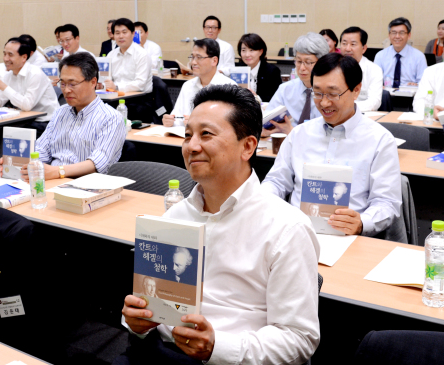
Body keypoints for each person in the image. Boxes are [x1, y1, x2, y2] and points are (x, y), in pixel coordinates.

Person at [117, 84, 320, 364]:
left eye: (206, 134)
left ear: (248, 146)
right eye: (187, 135)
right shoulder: (174, 218)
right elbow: (151, 308)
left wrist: (218, 347)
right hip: (158, 353)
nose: (192, 146)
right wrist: (136, 322)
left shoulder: (286, 228)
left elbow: (298, 339)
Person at [262, 53, 402, 237]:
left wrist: (361, 222)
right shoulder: (299, 134)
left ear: (356, 90)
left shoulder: (379, 140)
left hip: (350, 238)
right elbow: (276, 181)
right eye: (318, 93)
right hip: (296, 234)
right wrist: (262, 199)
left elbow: (386, 202)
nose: (324, 103)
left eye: (333, 94)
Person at [0, 53, 126, 181]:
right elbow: (41, 150)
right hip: (53, 181)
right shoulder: (60, 112)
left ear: (93, 82)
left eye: (72, 84)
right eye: (63, 84)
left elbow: (97, 163)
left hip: (88, 186)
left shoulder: (111, 118)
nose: (66, 90)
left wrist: (57, 171)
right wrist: (18, 163)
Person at [263, 32, 328, 136]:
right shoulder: (285, 89)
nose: (302, 68)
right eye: (298, 61)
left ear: (322, 62)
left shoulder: (331, 93)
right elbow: (267, 118)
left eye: (308, 62)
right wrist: (267, 130)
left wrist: (292, 131)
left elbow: (329, 132)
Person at [162, 39, 236, 127]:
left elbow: (230, 125)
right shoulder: (187, 86)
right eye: (192, 57)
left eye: (199, 57)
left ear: (214, 61)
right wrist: (170, 121)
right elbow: (177, 117)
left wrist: (197, 123)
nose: (193, 62)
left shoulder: (229, 87)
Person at [0, 37, 59, 126]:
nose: (6, 59)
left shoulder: (35, 73)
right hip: (25, 119)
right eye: (4, 54)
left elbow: (27, 106)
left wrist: (4, 87)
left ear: (24, 57)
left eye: (10, 55)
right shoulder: (8, 76)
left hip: (45, 121)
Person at [374, 17, 427, 87]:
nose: (397, 36)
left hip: (410, 95)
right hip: (386, 95)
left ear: (409, 35)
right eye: (394, 33)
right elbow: (374, 80)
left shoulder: (419, 56)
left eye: (401, 33)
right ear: (389, 35)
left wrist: (416, 85)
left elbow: (425, 82)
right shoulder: (380, 55)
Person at [339, 26, 383, 112]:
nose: (347, 49)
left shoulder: (374, 70)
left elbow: (374, 102)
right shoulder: (333, 68)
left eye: (353, 44)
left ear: (364, 48)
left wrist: (347, 107)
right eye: (344, 44)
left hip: (363, 116)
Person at [105, 18, 152, 93]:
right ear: (113, 35)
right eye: (117, 33)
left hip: (139, 98)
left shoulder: (142, 54)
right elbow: (107, 78)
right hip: (115, 96)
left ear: (133, 34)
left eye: (124, 32)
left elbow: (140, 84)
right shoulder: (111, 55)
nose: (121, 36)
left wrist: (117, 87)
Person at [237, 33, 282, 102]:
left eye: (251, 50)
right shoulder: (238, 69)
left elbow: (275, 97)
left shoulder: (272, 71)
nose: (247, 55)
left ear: (261, 52)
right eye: (243, 50)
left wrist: (256, 98)